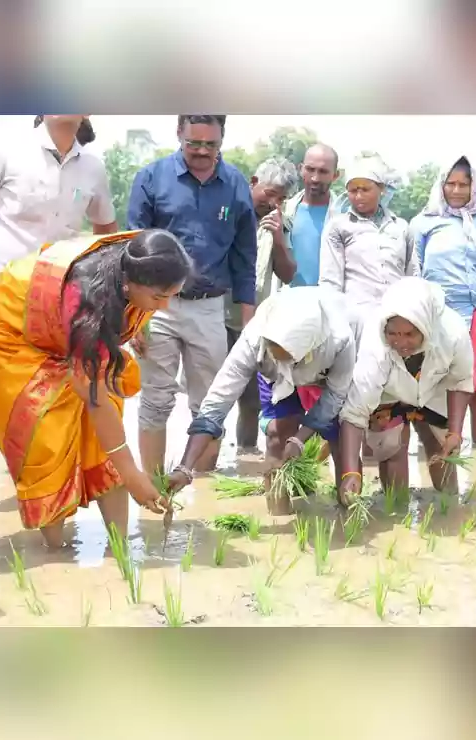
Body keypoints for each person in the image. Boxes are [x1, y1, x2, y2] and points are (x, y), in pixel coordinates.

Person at [0, 230, 191, 547]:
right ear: (128, 283)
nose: (166, 307)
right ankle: (55, 552)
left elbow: (101, 404)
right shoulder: (87, 300)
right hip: (12, 325)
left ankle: (120, 544)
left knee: (104, 436)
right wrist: (133, 475)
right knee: (46, 436)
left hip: (68, 323)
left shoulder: (137, 261)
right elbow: (93, 397)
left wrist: (126, 466)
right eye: (159, 298)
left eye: (173, 295)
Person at [0, 114, 117, 460]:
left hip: (49, 306)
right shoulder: (5, 151)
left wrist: (112, 301)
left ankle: (37, 490)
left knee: (39, 408)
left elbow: (107, 234)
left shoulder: (93, 168)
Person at [127, 115, 258, 476]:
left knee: (211, 404)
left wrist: (249, 322)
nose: (201, 151)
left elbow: (245, 256)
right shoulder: (152, 178)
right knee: (155, 399)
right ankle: (154, 488)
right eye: (193, 143)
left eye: (210, 145)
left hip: (210, 308)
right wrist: (133, 318)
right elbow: (131, 250)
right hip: (156, 307)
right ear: (178, 134)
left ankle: (199, 484)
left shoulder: (235, 185)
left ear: (222, 140)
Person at [164, 287, 360, 497]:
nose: (282, 360)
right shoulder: (254, 340)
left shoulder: (340, 339)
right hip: (273, 376)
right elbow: (217, 402)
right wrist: (184, 468)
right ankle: (279, 510)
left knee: (339, 434)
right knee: (277, 435)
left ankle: (347, 505)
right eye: (275, 351)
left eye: (287, 356)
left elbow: (335, 396)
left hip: (325, 374)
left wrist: (299, 439)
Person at [338, 277, 475, 505]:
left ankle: (448, 508)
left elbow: (460, 381)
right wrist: (351, 472)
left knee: (443, 450)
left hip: (435, 389)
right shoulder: (375, 346)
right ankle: (396, 509)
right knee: (391, 449)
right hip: (387, 394)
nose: (401, 343)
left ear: (425, 328)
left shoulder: (452, 333)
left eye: (410, 334)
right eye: (393, 334)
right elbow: (355, 412)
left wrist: (455, 432)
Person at [223, 157, 299, 453]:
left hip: (256, 320)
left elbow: (288, 273)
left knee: (252, 398)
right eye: (270, 194)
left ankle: (246, 454)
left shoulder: (280, 223)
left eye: (281, 198)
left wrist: (278, 238)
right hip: (217, 315)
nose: (274, 203)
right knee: (211, 393)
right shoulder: (227, 209)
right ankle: (204, 463)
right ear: (253, 182)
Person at [410, 155, 476, 445]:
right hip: (439, 315)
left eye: (463, 185)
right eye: (450, 184)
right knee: (434, 382)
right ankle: (435, 449)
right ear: (441, 185)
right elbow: (414, 270)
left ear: (474, 186)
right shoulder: (424, 222)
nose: (456, 190)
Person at [318, 156, 416, 322]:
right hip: (355, 318)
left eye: (365, 189)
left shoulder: (401, 227)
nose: (359, 196)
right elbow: (330, 281)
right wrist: (336, 323)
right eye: (353, 190)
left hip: (396, 319)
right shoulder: (338, 227)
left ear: (381, 188)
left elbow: (412, 277)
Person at [281, 143, 342, 288]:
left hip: (329, 298)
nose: (315, 178)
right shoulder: (285, 212)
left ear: (335, 175)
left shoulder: (344, 217)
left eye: (323, 172)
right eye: (310, 169)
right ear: (300, 169)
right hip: (287, 298)